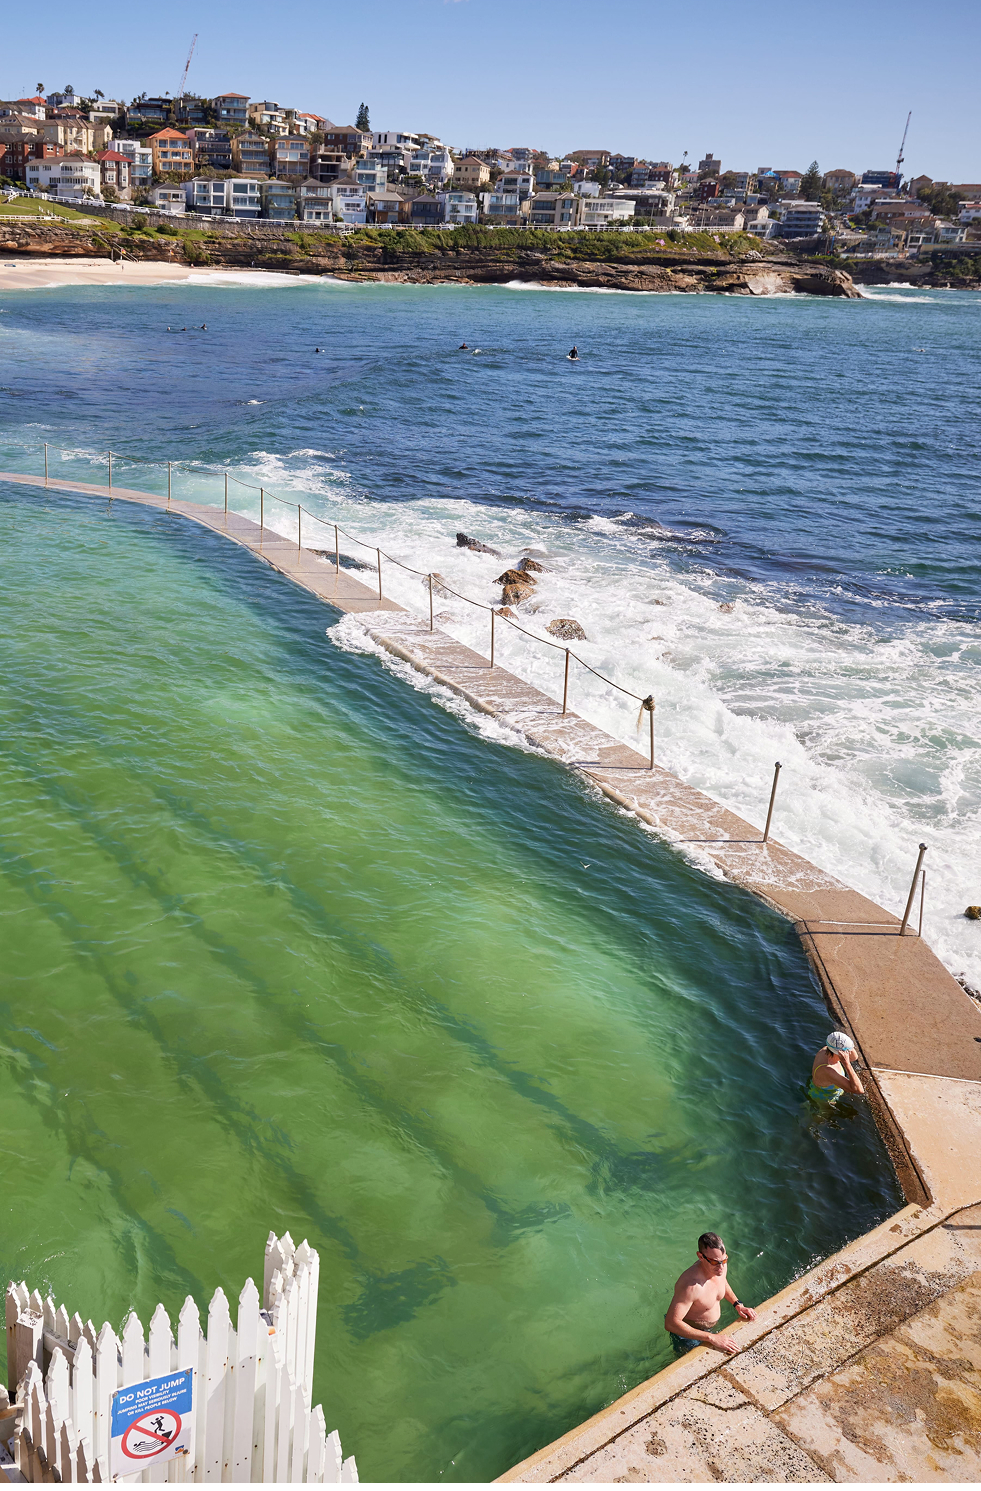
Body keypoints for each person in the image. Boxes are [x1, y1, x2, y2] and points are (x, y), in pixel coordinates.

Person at [664, 1232, 756, 1356]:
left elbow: (722, 1283)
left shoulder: (720, 1266)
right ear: (700, 1256)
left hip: (709, 1331)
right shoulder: (691, 1286)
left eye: (724, 1260)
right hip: (688, 1336)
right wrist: (711, 1338)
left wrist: (738, 1304)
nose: (721, 1267)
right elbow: (671, 1323)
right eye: (715, 1262)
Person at [809, 1031, 864, 1102]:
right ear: (840, 1052)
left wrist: (847, 1043)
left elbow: (854, 1057)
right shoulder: (828, 1070)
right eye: (847, 1051)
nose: (849, 1053)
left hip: (830, 1091)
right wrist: (847, 1064)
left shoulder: (826, 1049)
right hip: (824, 1099)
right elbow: (859, 1090)